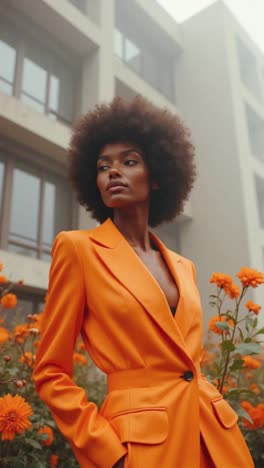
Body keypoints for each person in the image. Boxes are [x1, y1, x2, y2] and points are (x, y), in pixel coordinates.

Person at [33, 96, 254, 468]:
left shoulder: (185, 267)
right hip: (142, 449)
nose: (113, 172)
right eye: (103, 167)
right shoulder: (78, 250)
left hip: (215, 440)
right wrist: (108, 452)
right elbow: (51, 372)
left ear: (158, 176)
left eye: (129, 161)